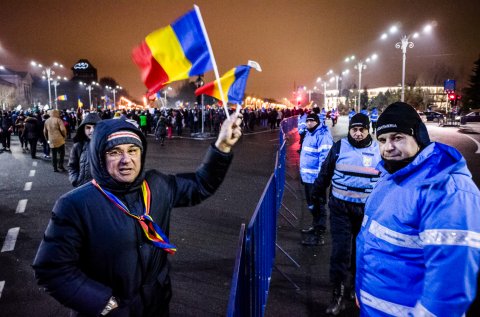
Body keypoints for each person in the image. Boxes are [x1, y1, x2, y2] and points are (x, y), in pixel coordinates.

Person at [32, 113, 243, 317]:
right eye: (114, 152)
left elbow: (200, 185)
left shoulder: (157, 185)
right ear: (98, 156)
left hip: (156, 305)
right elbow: (51, 269)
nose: (126, 160)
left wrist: (222, 146)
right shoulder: (75, 205)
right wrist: (102, 303)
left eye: (133, 150)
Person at [356, 102, 480, 316]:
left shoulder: (446, 189)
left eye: (398, 137)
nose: (388, 147)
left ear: (419, 138)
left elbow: (449, 288)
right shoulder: (391, 177)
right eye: (382, 140)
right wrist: (362, 290)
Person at [312, 113, 381, 315]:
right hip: (340, 209)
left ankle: (355, 288)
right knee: (340, 252)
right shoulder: (340, 147)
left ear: (369, 130)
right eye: (354, 129)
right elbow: (326, 172)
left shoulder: (378, 150)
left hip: (367, 212)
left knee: (360, 251)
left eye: (362, 130)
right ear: (350, 130)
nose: (358, 134)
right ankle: (338, 294)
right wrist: (317, 194)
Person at [299, 113, 333, 246]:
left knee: (319, 206)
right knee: (312, 204)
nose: (308, 123)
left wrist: (321, 179)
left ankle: (319, 235)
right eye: (307, 121)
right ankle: (315, 226)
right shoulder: (309, 133)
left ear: (317, 122)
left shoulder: (322, 135)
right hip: (307, 178)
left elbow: (324, 159)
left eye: (311, 121)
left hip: (316, 180)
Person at [67, 112, 101, 187]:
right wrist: (75, 180)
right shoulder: (78, 146)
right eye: (88, 127)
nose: (92, 130)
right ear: (83, 129)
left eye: (95, 127)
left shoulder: (107, 146)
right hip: (82, 187)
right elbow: (72, 166)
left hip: (103, 191)